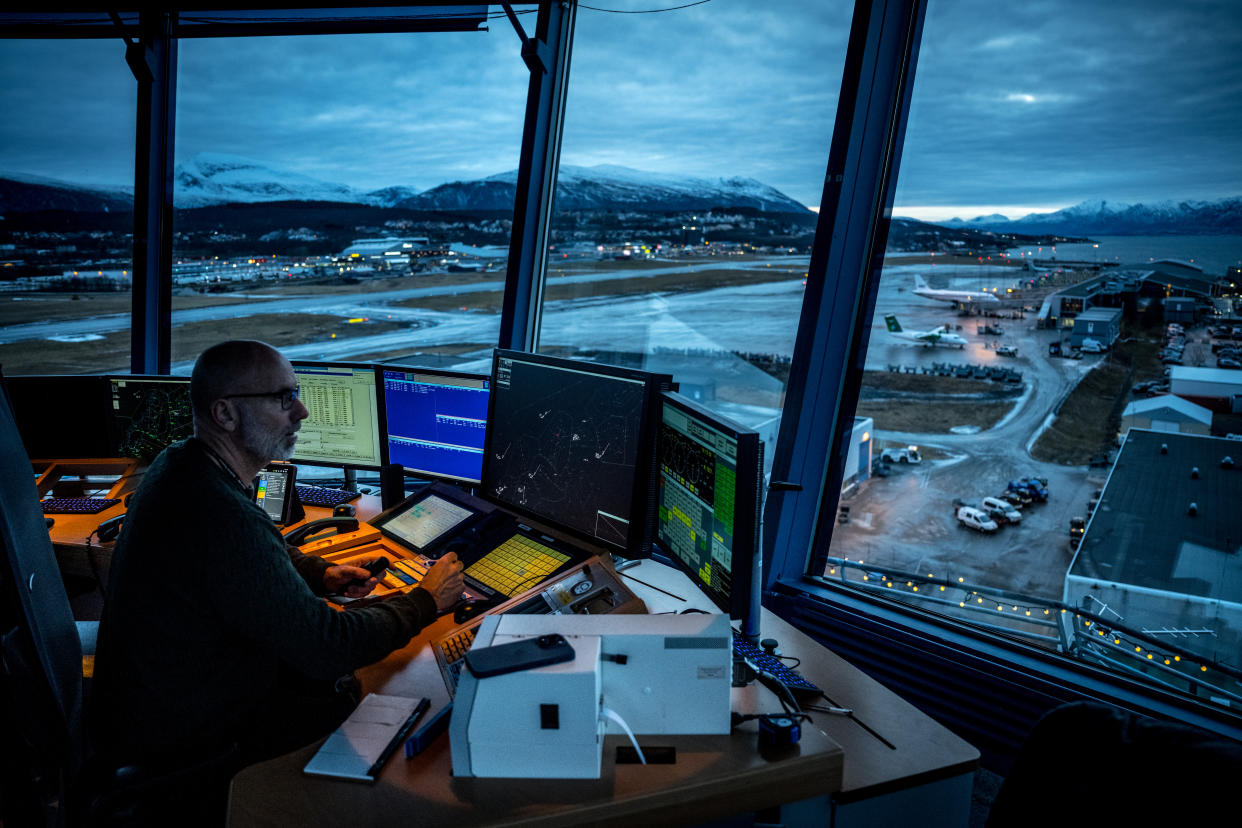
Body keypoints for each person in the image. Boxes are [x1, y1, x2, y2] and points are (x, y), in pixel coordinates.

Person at [90, 340, 463, 817]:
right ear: (225, 413)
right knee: (385, 693)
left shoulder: (182, 466)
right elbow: (328, 646)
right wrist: (426, 601)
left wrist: (320, 572)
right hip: (197, 739)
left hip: (159, 707)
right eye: (284, 398)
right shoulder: (216, 511)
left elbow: (254, 552)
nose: (302, 411)